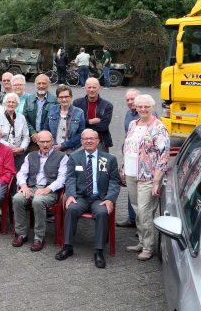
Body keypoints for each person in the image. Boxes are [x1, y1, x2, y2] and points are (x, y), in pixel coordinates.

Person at [55, 129, 120, 269]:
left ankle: (99, 251)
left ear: (98, 141)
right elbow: (70, 178)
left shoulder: (110, 159)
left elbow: (115, 181)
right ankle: (67, 247)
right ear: (81, 141)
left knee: (102, 213)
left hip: (100, 198)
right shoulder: (74, 157)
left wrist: (110, 199)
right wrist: (71, 195)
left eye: (92, 138)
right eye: (86, 139)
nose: (89, 141)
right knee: (71, 209)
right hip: (81, 197)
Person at [122, 94, 169, 261]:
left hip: (148, 177)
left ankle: (148, 247)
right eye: (140, 106)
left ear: (152, 107)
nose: (143, 109)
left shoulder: (159, 127)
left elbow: (163, 157)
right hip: (131, 173)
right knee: (136, 209)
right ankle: (141, 242)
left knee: (145, 211)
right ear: (135, 107)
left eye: (146, 106)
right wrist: (123, 168)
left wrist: (157, 181)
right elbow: (128, 147)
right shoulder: (133, 124)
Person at [11, 131, 68, 251]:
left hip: (50, 191)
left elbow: (62, 178)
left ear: (52, 141)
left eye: (48, 141)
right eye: (42, 142)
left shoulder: (62, 157)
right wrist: (23, 186)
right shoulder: (30, 156)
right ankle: (21, 234)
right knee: (17, 198)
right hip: (31, 188)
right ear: (37, 142)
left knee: (38, 201)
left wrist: (48, 189)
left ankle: (39, 237)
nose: (46, 144)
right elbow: (21, 173)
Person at [118, 89, 140, 228]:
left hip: (141, 161)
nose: (130, 102)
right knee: (130, 187)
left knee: (140, 193)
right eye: (128, 100)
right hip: (129, 158)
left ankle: (140, 224)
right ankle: (131, 218)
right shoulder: (128, 114)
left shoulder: (145, 113)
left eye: (133, 99)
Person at [73, 77, 114, 152]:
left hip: (100, 142)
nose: (91, 90)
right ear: (85, 88)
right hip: (80, 141)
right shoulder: (77, 103)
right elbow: (75, 124)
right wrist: (90, 121)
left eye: (94, 87)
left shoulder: (107, 105)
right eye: (89, 87)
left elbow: (103, 127)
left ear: (99, 88)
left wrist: (84, 124)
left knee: (102, 163)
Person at [45, 84, 85, 153]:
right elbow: (46, 128)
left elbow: (81, 134)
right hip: (53, 149)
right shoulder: (52, 109)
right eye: (61, 97)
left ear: (71, 97)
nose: (64, 99)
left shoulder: (79, 112)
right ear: (57, 98)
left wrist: (64, 145)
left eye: (66, 96)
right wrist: (52, 144)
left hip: (71, 150)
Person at [0, 92, 30, 170]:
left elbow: (26, 136)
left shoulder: (21, 117)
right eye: (9, 102)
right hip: (1, 152)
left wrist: (22, 148)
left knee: (18, 175)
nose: (11, 104)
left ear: (17, 104)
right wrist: (9, 147)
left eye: (13, 102)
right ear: (5, 103)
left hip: (19, 153)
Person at [23, 74, 56, 153]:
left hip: (48, 140)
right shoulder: (29, 99)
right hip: (32, 139)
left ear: (49, 84)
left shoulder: (55, 101)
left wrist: (43, 135)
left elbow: (54, 121)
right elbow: (25, 118)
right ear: (35, 84)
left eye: (44, 83)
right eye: (39, 83)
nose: (41, 86)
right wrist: (33, 132)